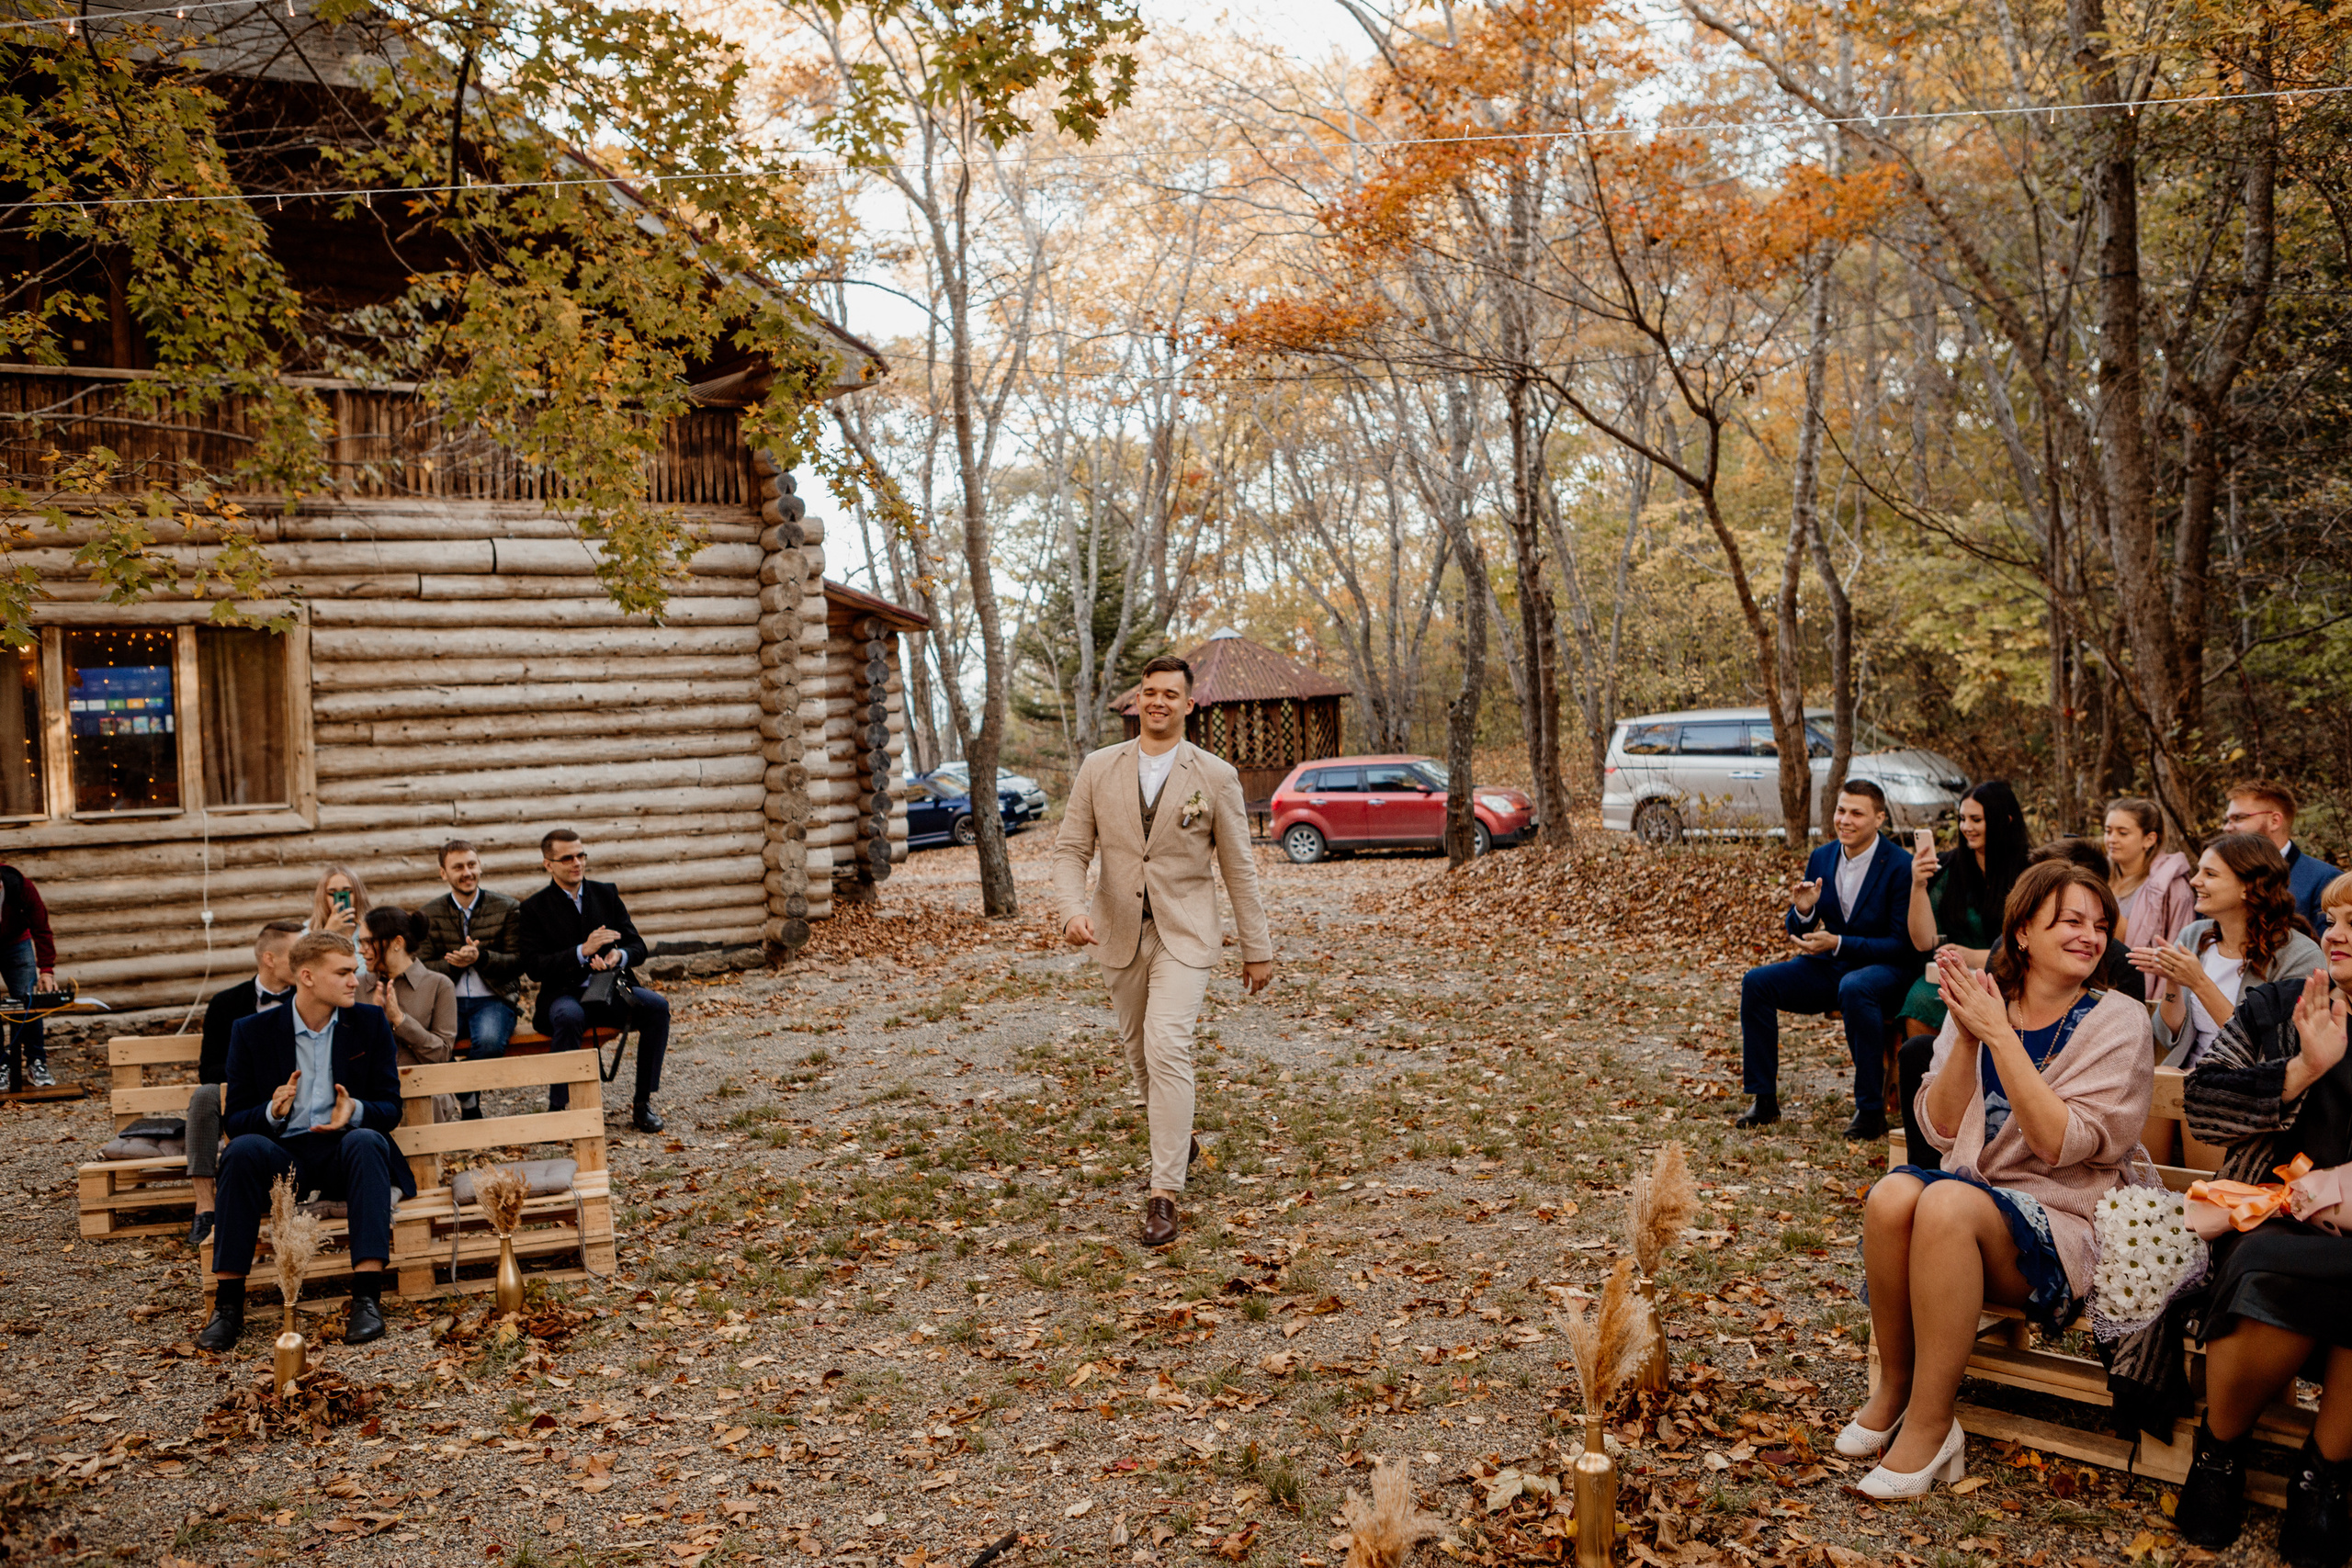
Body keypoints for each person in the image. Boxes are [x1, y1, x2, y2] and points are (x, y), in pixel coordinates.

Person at [1840, 861, 2152, 1497]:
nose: (2090, 936)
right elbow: (1938, 1124)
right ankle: (1898, 1386)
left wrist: (1998, 1037)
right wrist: (1966, 1038)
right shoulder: (1987, 999)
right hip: (1973, 1207)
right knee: (1893, 1192)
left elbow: (2058, 1142)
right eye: (2070, 921)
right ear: (2022, 934)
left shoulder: (2120, 1019)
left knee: (1947, 1201)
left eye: (2099, 924)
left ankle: (1933, 1424)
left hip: (2067, 1226)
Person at [1053, 654, 1273, 1249]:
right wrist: (1072, 910)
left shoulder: (1215, 775)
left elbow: (1239, 867)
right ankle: (1179, 1136)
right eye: (1149, 692)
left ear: (1188, 704)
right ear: (1137, 701)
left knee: (1167, 1043)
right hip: (1118, 931)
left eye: (1169, 694)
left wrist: (1259, 948)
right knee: (1139, 1056)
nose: (1157, 702)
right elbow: (1070, 849)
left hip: (1186, 930)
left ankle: (1164, 1193)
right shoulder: (1099, 768)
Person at [2169, 874, 2352, 1563]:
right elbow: (2206, 1104)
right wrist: (2302, 1067)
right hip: (2266, 1216)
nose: (2333, 934)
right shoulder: (2278, 1005)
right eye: (2331, 919)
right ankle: (2220, 1448)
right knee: (2270, 1266)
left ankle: (2323, 1475)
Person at [196, 932, 412, 1352]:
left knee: (368, 1140)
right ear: (308, 976)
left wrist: (357, 1110)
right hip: (283, 1155)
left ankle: (367, 1300)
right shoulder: (252, 1031)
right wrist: (271, 1112)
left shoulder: (369, 1023)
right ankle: (228, 1308)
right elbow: (236, 1121)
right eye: (345, 972)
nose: (356, 980)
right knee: (240, 1151)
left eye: (356, 971)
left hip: (343, 1150)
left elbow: (391, 1108)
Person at [1735, 779, 1919, 1140]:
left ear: (1879, 818)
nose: (1845, 820)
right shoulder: (1822, 856)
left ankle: (1870, 1111)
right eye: (1840, 810)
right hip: (1831, 967)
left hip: (1888, 972)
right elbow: (1799, 927)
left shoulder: (1901, 866)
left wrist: (1838, 942)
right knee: (1757, 983)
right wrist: (1803, 912)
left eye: (1856, 813)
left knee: (1856, 987)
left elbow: (1901, 944)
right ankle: (1764, 1099)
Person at [517, 829, 669, 1134]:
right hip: (565, 994)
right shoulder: (534, 908)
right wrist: (580, 952)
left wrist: (619, 956)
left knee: (657, 1007)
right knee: (568, 1017)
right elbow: (533, 967)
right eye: (568, 858)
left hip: (611, 990)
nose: (577, 863)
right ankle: (559, 1111)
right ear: (548, 864)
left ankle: (642, 1104)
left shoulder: (605, 894)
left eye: (581, 855)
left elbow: (638, 945)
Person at [2130, 833, 2323, 1065]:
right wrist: (2173, 980)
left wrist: (2198, 982)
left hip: (2247, 1088)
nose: (2194, 881)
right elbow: (2168, 1035)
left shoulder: (2300, 956)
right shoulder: (2194, 935)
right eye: (2199, 870)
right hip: (2183, 1080)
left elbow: (2267, 1051)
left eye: (2210, 874)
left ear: (2248, 887)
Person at [187, 919, 305, 1248]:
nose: (304, 964)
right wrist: (251, 1072)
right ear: (269, 958)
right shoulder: (226, 1003)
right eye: (296, 956)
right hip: (242, 1096)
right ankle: (205, 1208)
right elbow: (208, 1068)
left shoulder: (309, 999)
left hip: (295, 1095)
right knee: (205, 1093)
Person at [1897, 780, 2031, 1039]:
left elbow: (2037, 944)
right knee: (1920, 999)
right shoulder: (1948, 867)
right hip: (1957, 975)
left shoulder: (2031, 872)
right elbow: (1923, 941)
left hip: (2012, 976)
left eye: (1976, 819)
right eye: (1962, 819)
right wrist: (1918, 885)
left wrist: (1973, 956)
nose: (1966, 827)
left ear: (2006, 820)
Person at [414, 840, 525, 1121]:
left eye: (472, 864)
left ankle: (464, 1094)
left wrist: (481, 957)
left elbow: (518, 961)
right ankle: (469, 1100)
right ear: (444, 873)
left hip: (493, 998)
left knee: (488, 1042)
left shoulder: (507, 907)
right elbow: (422, 967)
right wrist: (455, 963)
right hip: (446, 1000)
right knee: (434, 1047)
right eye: (458, 867)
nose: (467, 872)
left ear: (480, 866)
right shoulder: (428, 914)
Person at [360, 906, 458, 1123]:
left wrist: (400, 1020)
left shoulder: (439, 985)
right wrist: (374, 1021)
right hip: (369, 1095)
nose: (361, 950)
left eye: (368, 942)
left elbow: (442, 1054)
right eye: (361, 942)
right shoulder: (356, 986)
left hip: (424, 1091)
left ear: (397, 943)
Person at [2225, 778, 2341, 938]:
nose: (2226, 828)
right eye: (2227, 820)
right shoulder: (2222, 875)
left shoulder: (2324, 879)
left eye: (2238, 818)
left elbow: (2328, 950)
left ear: (2274, 821)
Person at [0, 860, 62, 1090]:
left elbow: (41, 927)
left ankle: (36, 1062)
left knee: (27, 1002)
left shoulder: (22, 887)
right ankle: (0, 1066)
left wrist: (46, 969)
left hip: (18, 944)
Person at [2105, 796, 2197, 951]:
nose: (2112, 839)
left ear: (2149, 839)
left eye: (2123, 833)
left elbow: (2180, 947)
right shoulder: (2100, 873)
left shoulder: (2172, 887)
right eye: (2108, 831)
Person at [305, 864, 373, 983]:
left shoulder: (371, 928)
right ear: (323, 897)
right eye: (332, 894)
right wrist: (327, 933)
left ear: (357, 894)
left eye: (347, 892)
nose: (341, 900)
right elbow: (305, 969)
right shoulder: (306, 930)